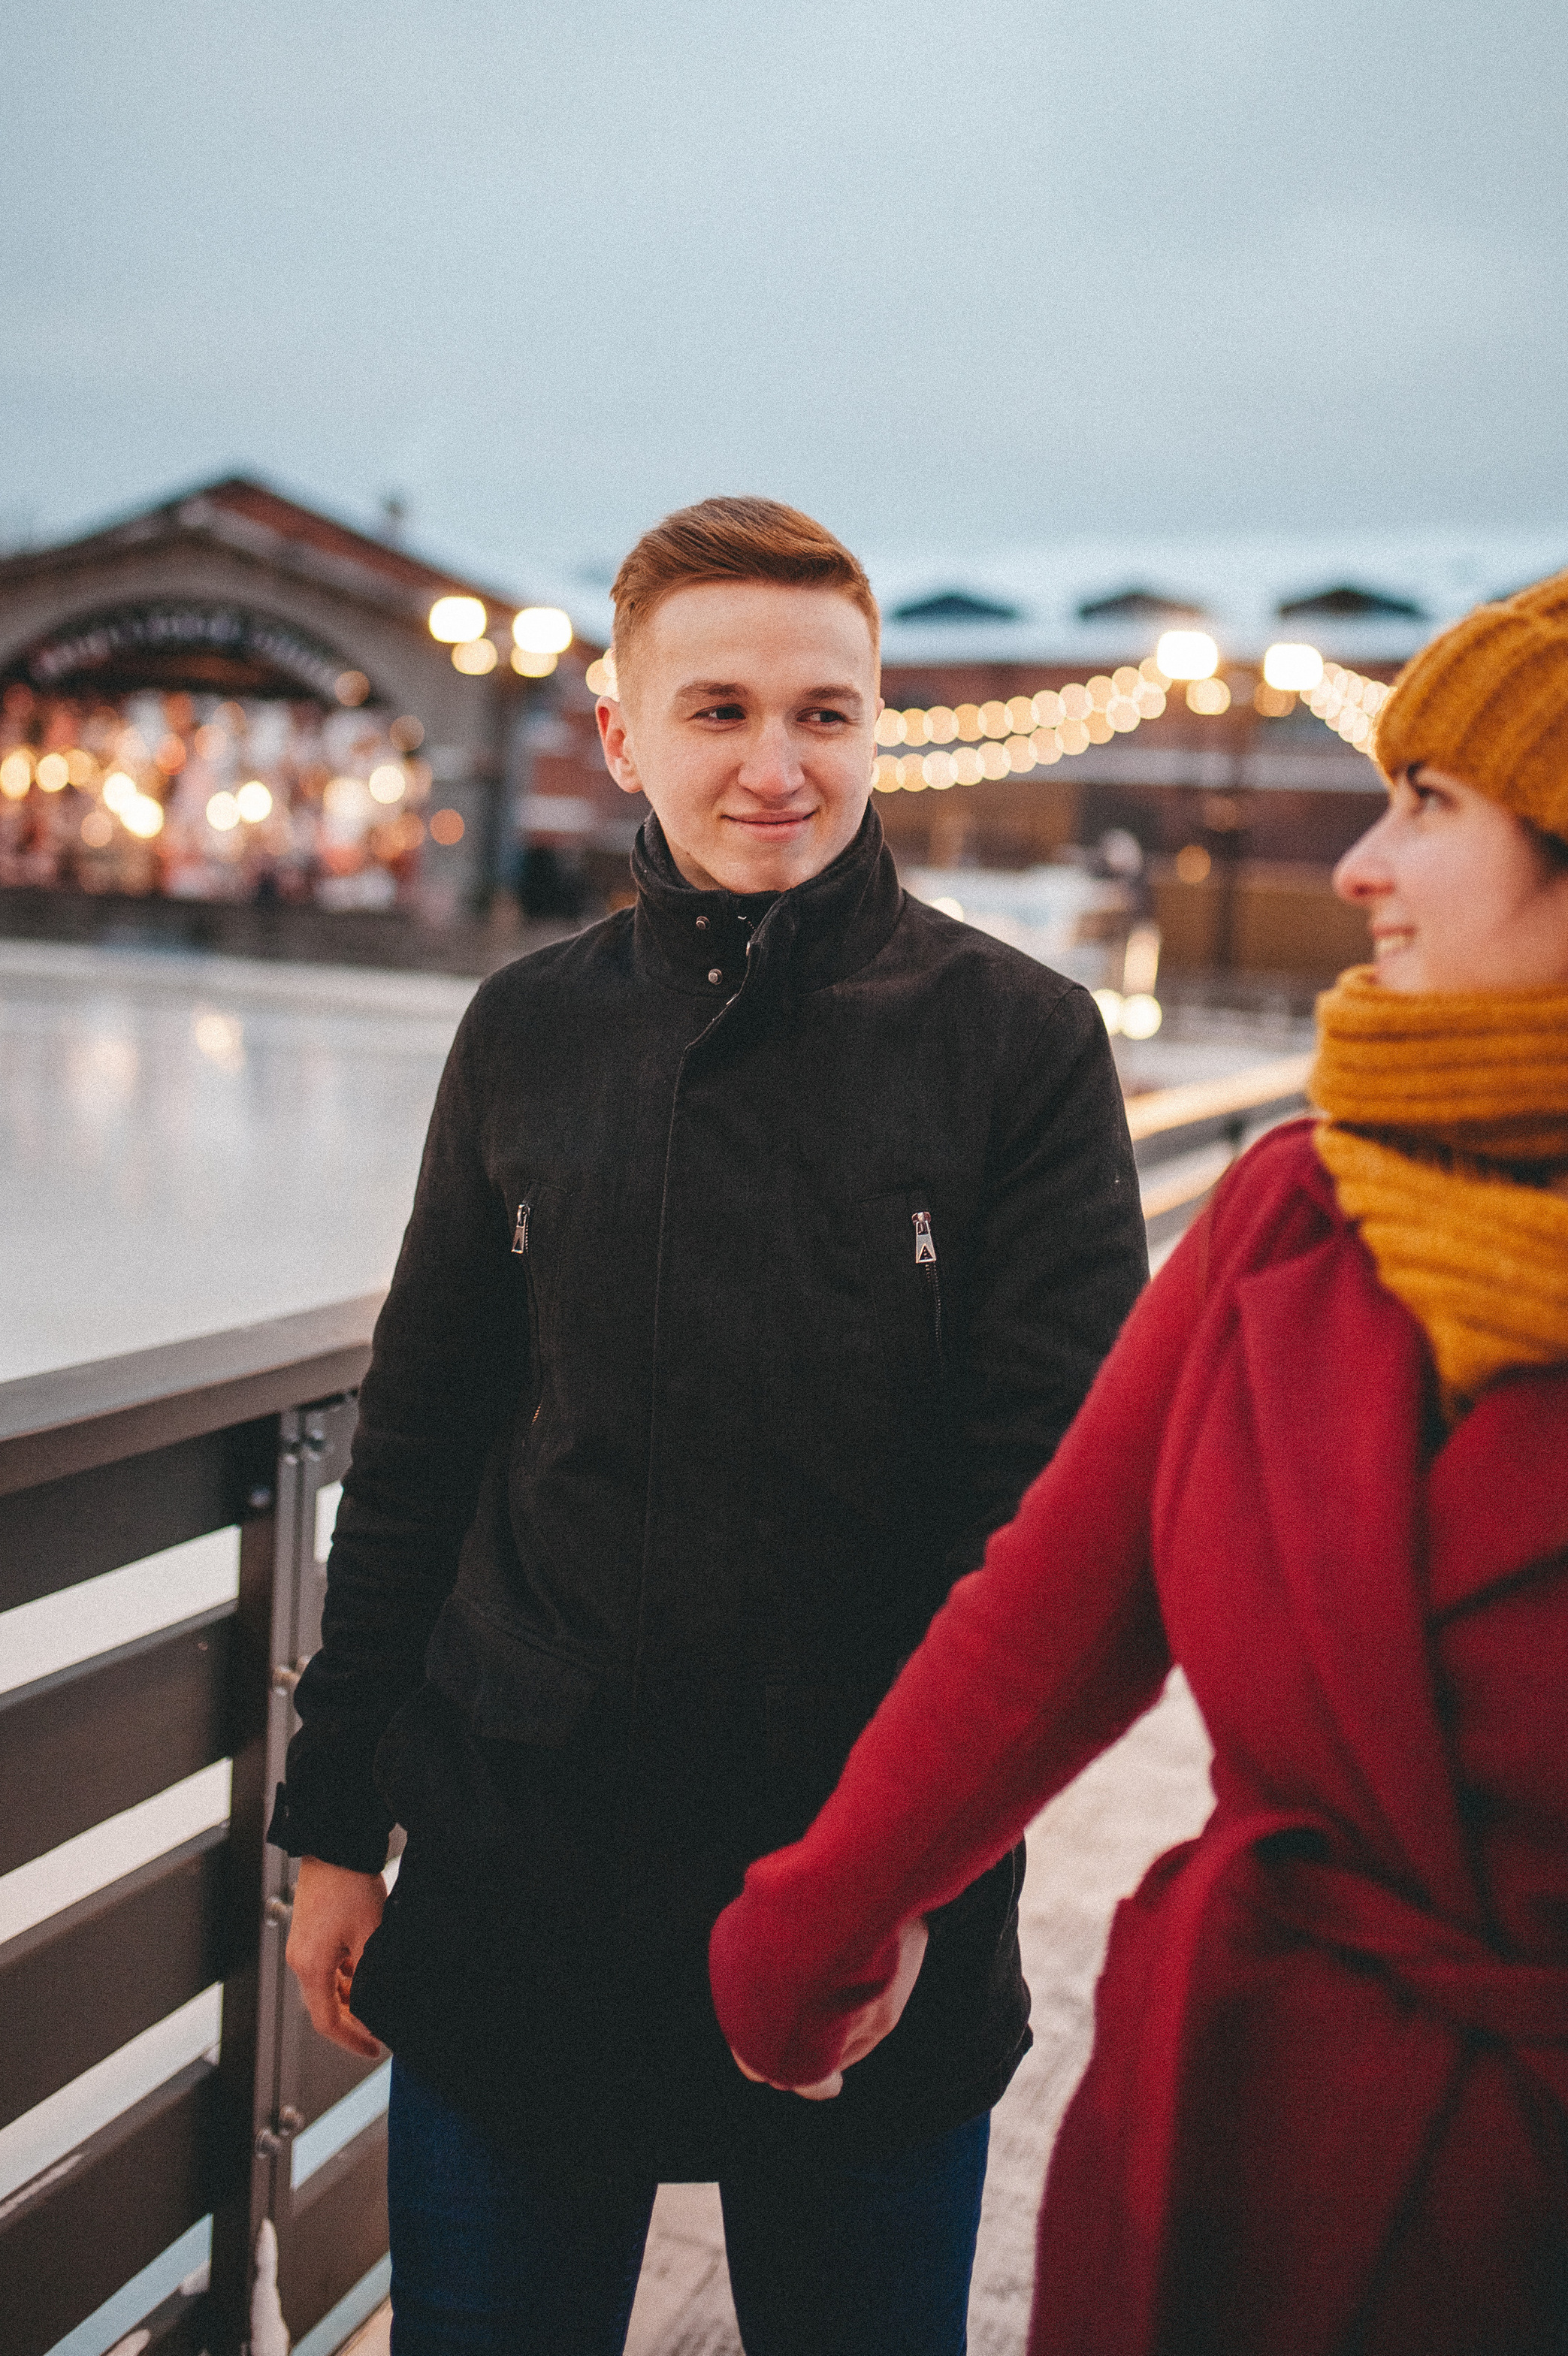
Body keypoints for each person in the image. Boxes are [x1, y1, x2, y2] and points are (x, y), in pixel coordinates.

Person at [710, 502, 1568, 2355]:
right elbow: (1049, 1616)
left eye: (1429, 804)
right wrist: (819, 1906)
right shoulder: (1293, 1215)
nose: (1363, 868)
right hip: (1220, 2172)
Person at [270, 496, 1147, 2354]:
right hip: (527, 1878)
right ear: (621, 735)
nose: (776, 764)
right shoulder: (527, 1033)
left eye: (824, 713)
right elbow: (420, 1442)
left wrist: (908, 1875)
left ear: (875, 726)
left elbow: (1050, 1529)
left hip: (860, 1914)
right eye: (721, 710)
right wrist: (338, 1819)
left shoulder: (1017, 1045)